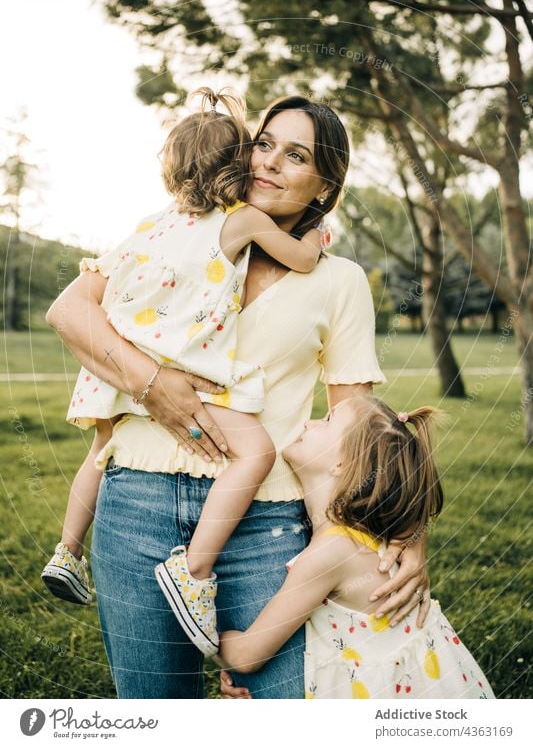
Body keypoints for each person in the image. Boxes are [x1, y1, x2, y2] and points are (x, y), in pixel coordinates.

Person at [46, 94, 429, 699]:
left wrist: (404, 536)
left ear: (324, 187)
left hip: (266, 525)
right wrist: (153, 384)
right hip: (136, 503)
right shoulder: (172, 231)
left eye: (296, 154)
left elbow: (357, 418)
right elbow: (69, 310)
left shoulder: (337, 278)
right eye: (265, 142)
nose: (270, 161)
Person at [41, 87, 325, 657]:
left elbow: (94, 291)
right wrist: (314, 244)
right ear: (238, 169)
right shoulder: (240, 220)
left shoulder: (151, 224)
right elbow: (298, 258)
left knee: (100, 454)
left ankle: (68, 550)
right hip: (183, 369)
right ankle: (194, 571)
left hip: (119, 372)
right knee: (256, 453)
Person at [219, 395, 495, 700]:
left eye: (325, 421)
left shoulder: (331, 552)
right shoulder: (362, 537)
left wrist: (211, 639)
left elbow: (249, 655)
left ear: (341, 463)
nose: (309, 422)